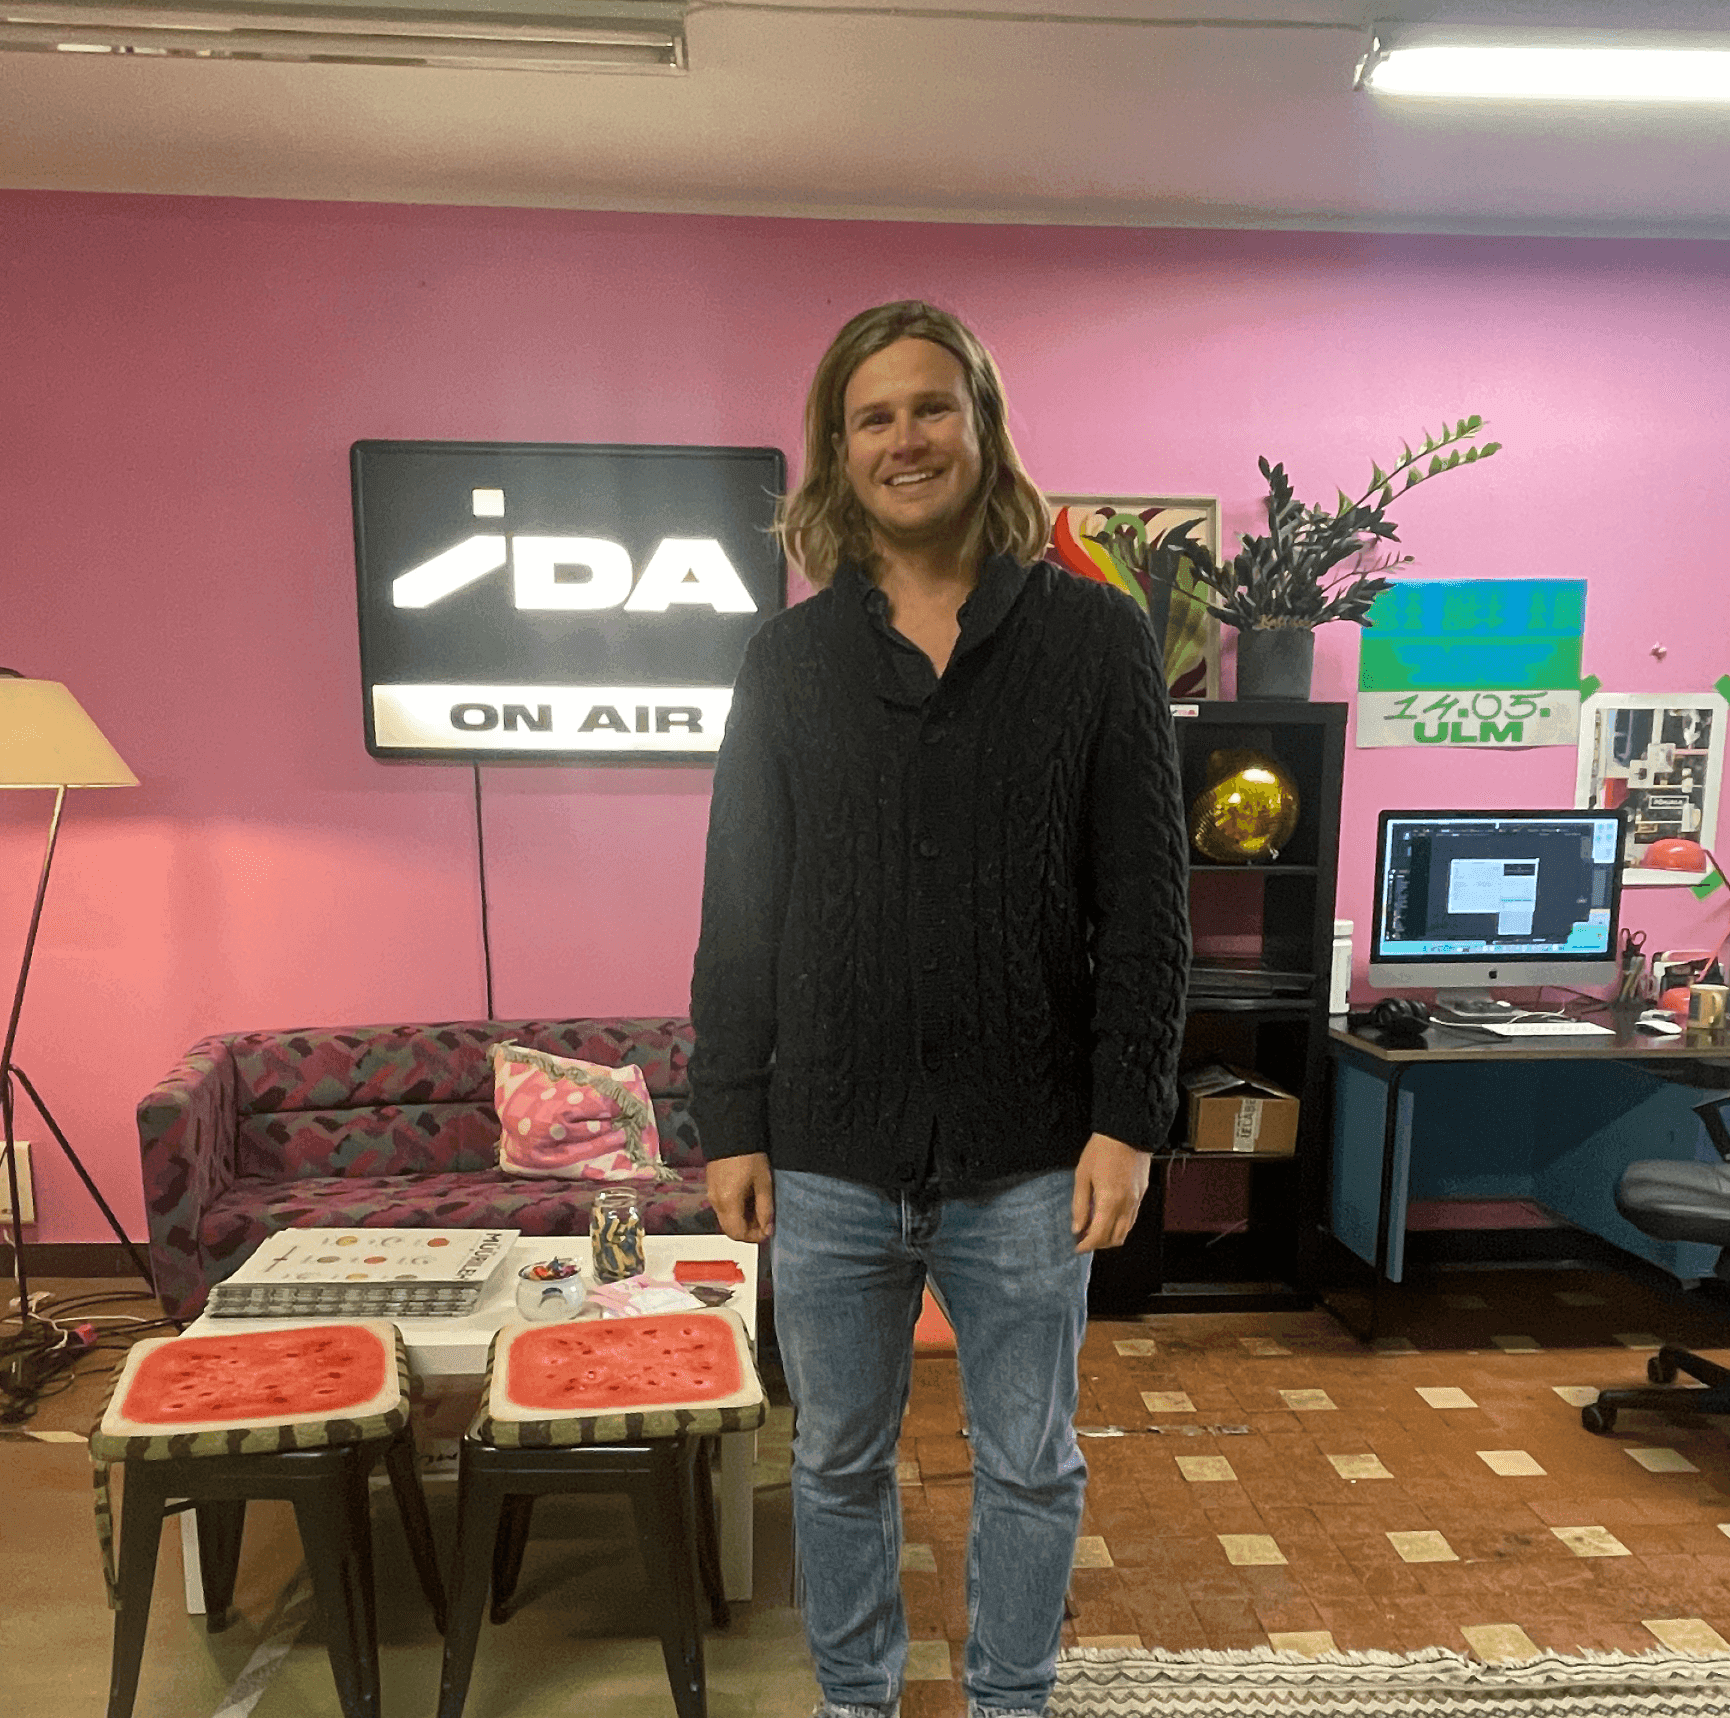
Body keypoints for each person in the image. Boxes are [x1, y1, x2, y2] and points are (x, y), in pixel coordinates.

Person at [690, 301, 1190, 1718]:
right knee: (835, 1458)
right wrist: (731, 1117)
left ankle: (1010, 1699)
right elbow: (741, 903)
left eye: (930, 407)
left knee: (1031, 1462)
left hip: (1031, 1156)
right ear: (837, 451)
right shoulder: (787, 663)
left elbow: (1146, 904)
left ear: (982, 429)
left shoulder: (1094, 640)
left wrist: (1129, 1119)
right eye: (873, 417)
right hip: (830, 1153)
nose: (903, 438)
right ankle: (856, 1701)